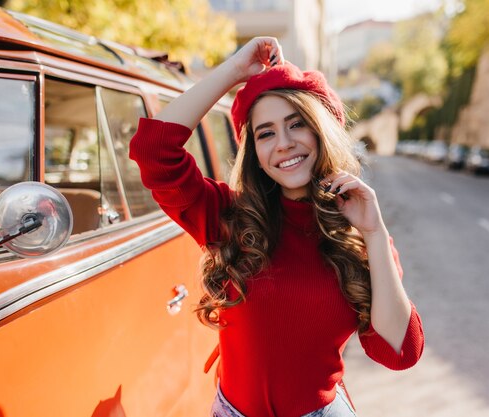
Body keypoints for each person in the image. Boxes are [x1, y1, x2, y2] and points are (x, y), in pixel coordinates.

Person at [130, 37, 424, 417]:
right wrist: (235, 70)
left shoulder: (359, 235)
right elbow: (153, 151)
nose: (283, 144)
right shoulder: (229, 217)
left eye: (296, 125)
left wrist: (375, 234)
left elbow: (399, 351)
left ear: (321, 132)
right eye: (265, 133)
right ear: (254, 151)